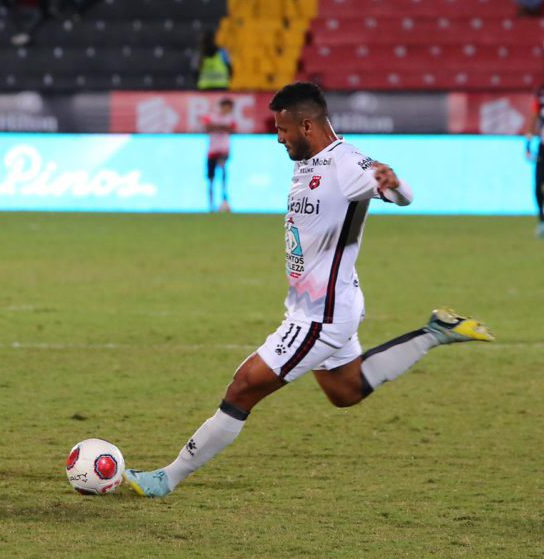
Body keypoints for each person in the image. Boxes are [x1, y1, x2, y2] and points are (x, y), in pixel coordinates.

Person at [123, 82, 494, 497]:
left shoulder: (347, 164)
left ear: (306, 125)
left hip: (321, 314)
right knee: (345, 390)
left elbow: (400, 193)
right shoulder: (309, 158)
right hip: (324, 302)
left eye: (282, 130)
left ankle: (166, 478)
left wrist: (392, 182)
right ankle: (434, 332)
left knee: (243, 387)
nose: (278, 138)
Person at [201, 97, 236, 213]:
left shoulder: (230, 118)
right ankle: (211, 204)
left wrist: (216, 127)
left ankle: (224, 202)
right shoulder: (212, 116)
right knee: (211, 178)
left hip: (224, 150)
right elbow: (207, 127)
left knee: (223, 174)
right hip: (212, 151)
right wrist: (222, 127)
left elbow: (232, 129)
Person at [525, 83, 544, 238]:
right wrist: (528, 145)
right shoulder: (541, 97)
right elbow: (533, 118)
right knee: (538, 186)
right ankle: (541, 221)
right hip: (543, 147)